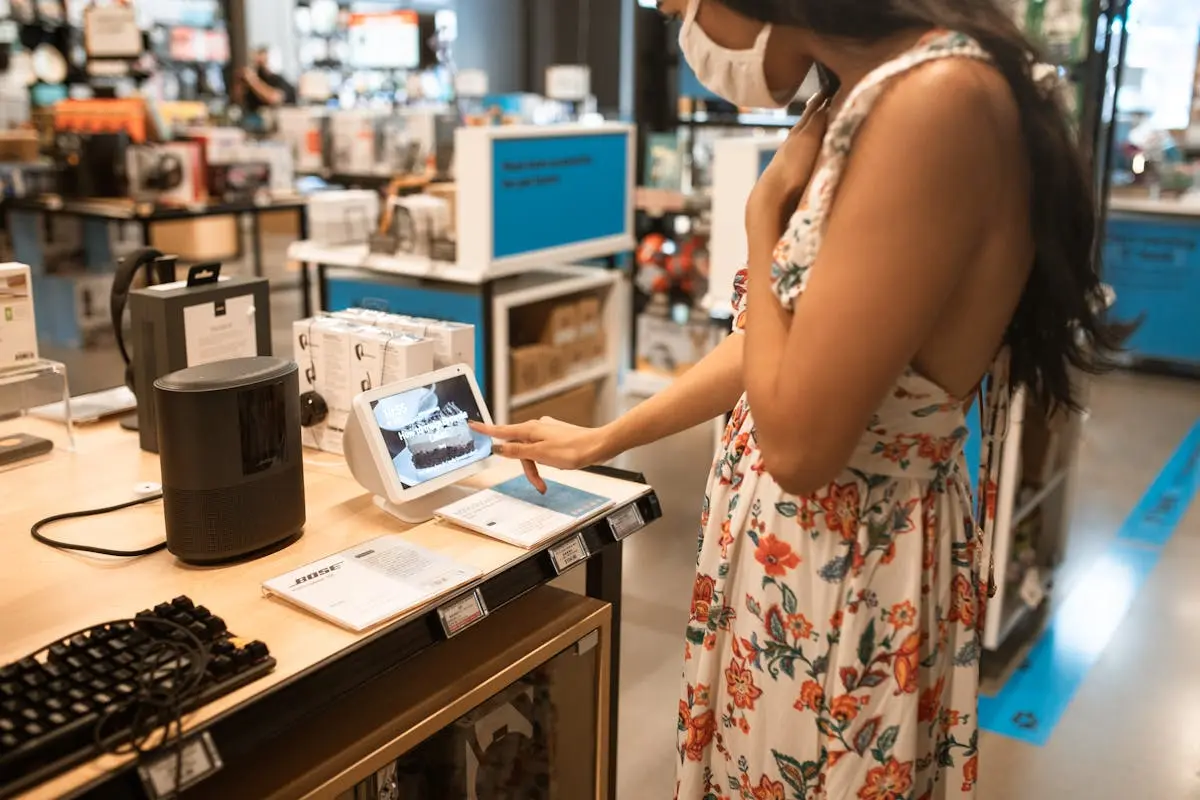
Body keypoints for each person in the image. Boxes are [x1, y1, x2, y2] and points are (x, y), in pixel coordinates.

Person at [474, 0, 1120, 796]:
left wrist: (759, 215)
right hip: (800, 566)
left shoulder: (935, 102)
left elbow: (802, 449)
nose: (679, 24)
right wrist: (604, 439)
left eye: (680, 3)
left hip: (847, 570)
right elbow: (779, 345)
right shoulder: (864, 95)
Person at [238, 46, 296, 120]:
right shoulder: (254, 81)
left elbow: (274, 98)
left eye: (263, 61)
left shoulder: (278, 80)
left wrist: (253, 80)